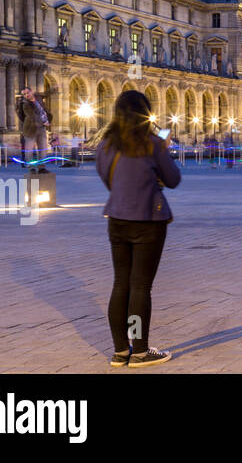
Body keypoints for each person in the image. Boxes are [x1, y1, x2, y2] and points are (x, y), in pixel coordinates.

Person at [94, 90, 181, 368]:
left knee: (121, 284)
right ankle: (141, 351)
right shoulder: (152, 143)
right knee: (140, 286)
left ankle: (121, 351)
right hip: (148, 221)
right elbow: (173, 179)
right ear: (145, 114)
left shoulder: (106, 144)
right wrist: (164, 150)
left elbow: (108, 179)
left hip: (117, 220)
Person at [16, 87, 52, 163]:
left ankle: (41, 167)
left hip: (41, 128)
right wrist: (29, 122)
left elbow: (44, 111)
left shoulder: (39, 100)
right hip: (30, 129)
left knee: (43, 149)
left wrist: (48, 120)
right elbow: (27, 116)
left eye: (27, 93)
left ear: (31, 92)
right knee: (29, 150)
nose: (26, 95)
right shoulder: (24, 103)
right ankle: (31, 167)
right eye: (24, 94)